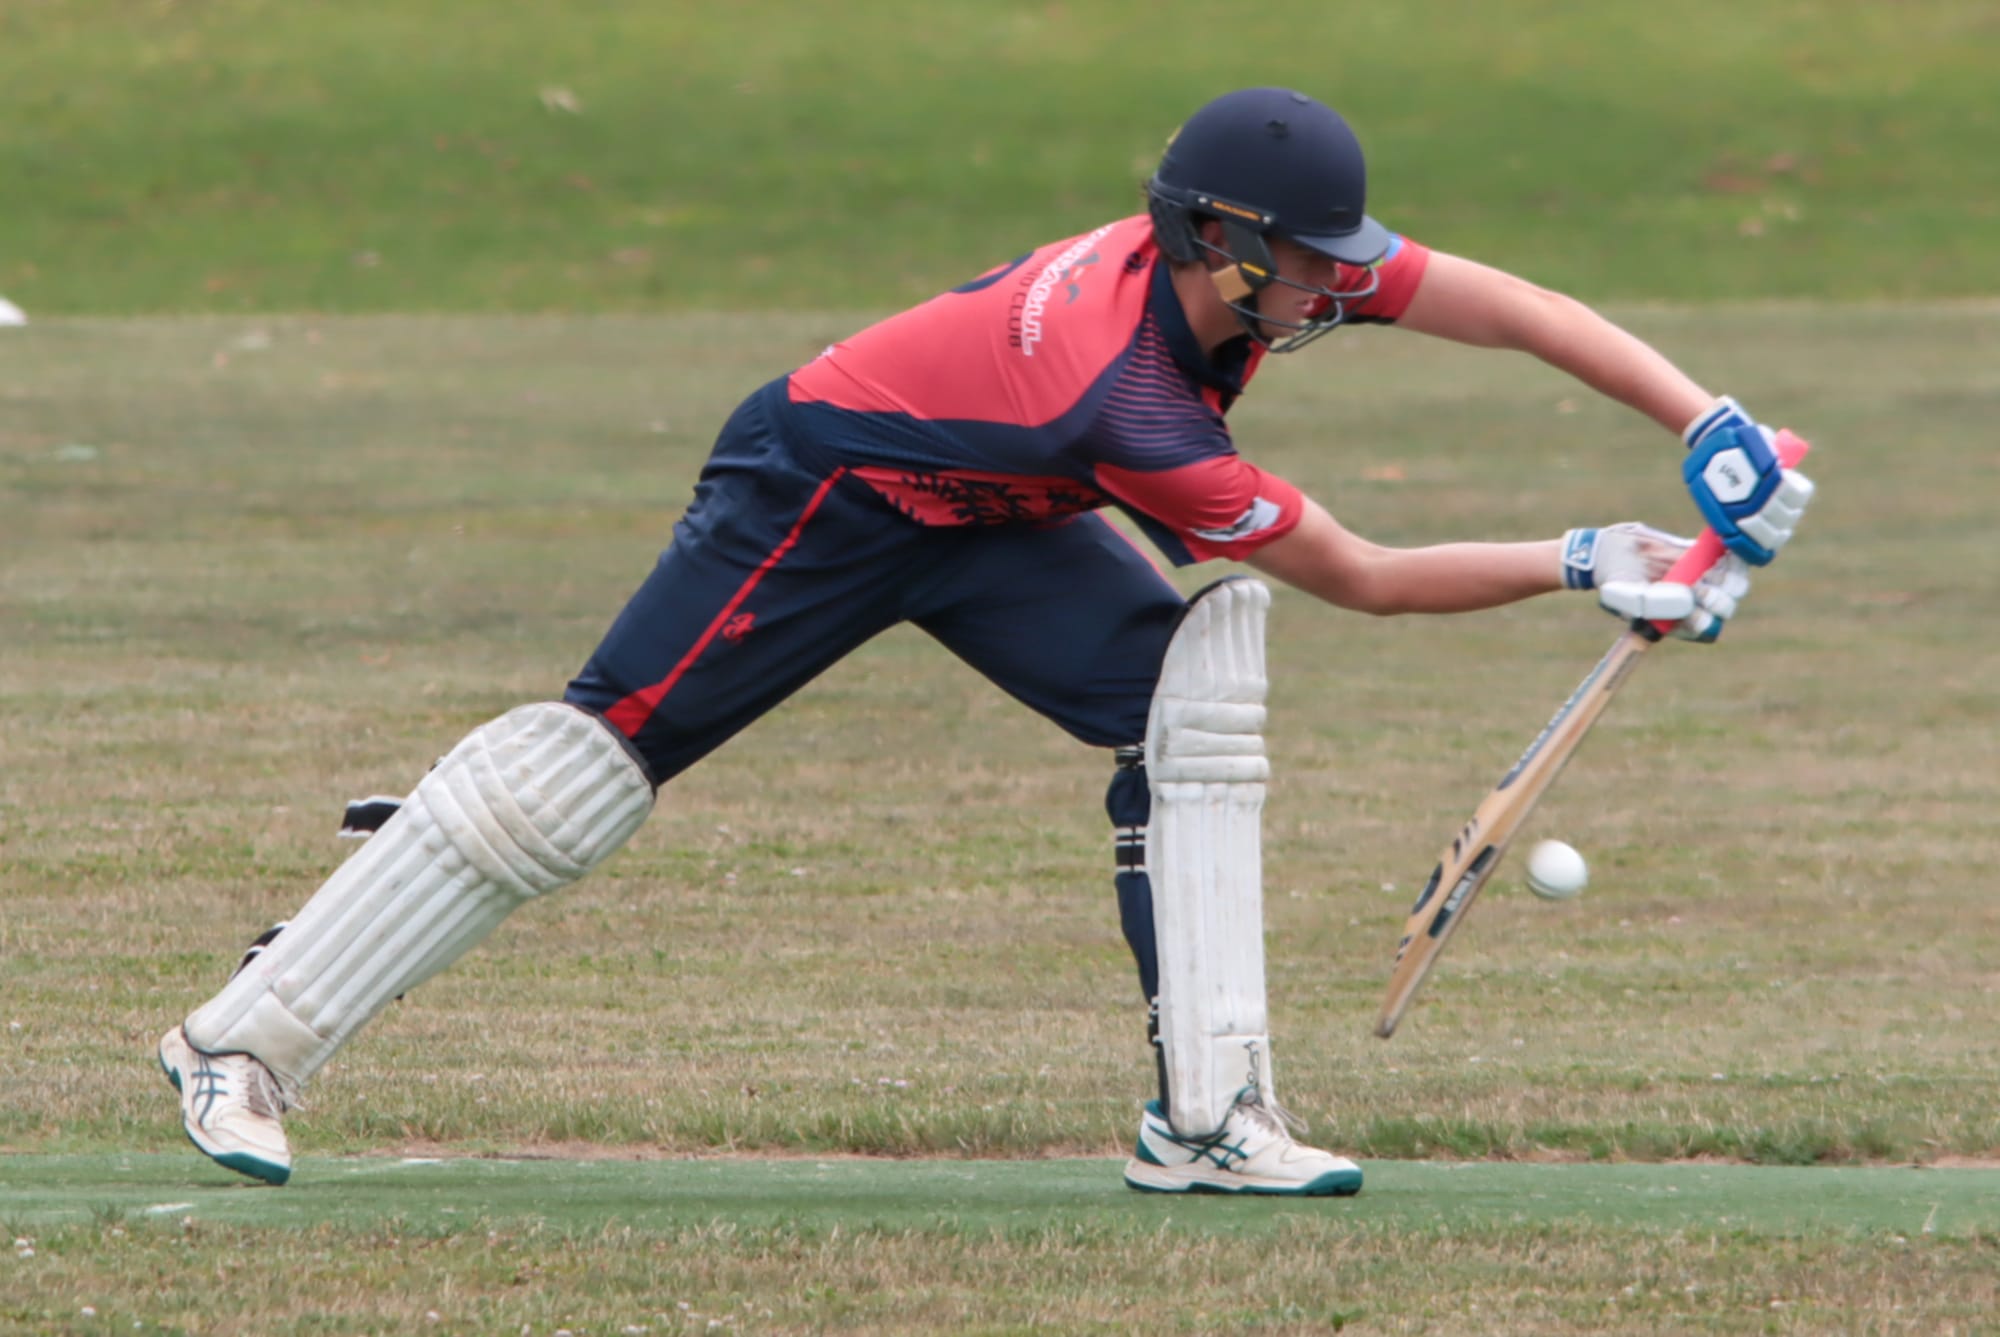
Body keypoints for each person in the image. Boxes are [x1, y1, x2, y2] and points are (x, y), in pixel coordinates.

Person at [158, 86, 1814, 1195]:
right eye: (1314, 268)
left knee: (1190, 697)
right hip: (825, 487)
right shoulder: (1138, 399)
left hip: (996, 509)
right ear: (1224, 243)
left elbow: (1505, 305)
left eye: (1338, 266)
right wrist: (1590, 556)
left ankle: (1209, 1117)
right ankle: (241, 1041)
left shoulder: (1237, 271)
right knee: (578, 782)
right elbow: (1363, 577)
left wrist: (1702, 416)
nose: (1338, 293)